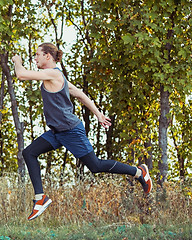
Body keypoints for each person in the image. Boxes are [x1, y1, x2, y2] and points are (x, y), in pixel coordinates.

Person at [11, 42, 153, 221]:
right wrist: (99, 114)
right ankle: (40, 198)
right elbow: (79, 94)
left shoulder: (53, 73)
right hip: (57, 132)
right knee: (29, 152)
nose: (35, 58)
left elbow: (21, 75)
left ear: (48, 56)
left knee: (95, 166)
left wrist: (17, 60)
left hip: (70, 131)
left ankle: (139, 172)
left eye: (38, 55)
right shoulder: (56, 77)